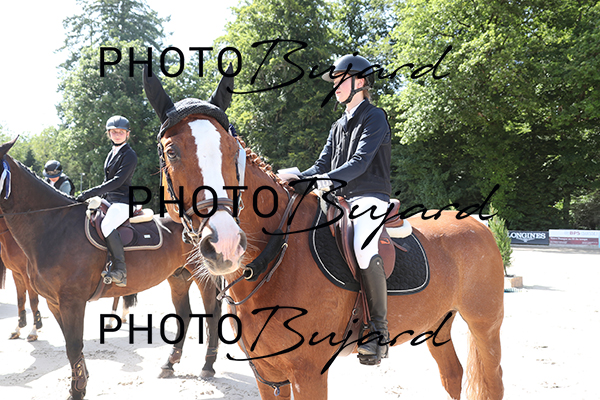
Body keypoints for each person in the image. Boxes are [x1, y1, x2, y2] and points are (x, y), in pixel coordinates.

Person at [294, 54, 392, 365]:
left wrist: (321, 180)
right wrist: (295, 178)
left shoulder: (375, 117)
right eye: (334, 80)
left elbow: (360, 163)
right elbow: (321, 165)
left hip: (370, 196)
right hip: (339, 198)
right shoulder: (337, 125)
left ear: (360, 82)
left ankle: (379, 332)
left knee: (363, 246)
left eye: (341, 79)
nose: (335, 86)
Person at [76, 115, 137, 287]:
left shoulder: (129, 155)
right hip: (109, 200)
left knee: (107, 225)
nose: (117, 135)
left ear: (127, 134)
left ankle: (120, 270)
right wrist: (96, 198)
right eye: (114, 132)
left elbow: (117, 182)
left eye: (121, 132)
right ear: (109, 134)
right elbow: (106, 181)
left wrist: (89, 192)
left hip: (123, 202)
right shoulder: (111, 153)